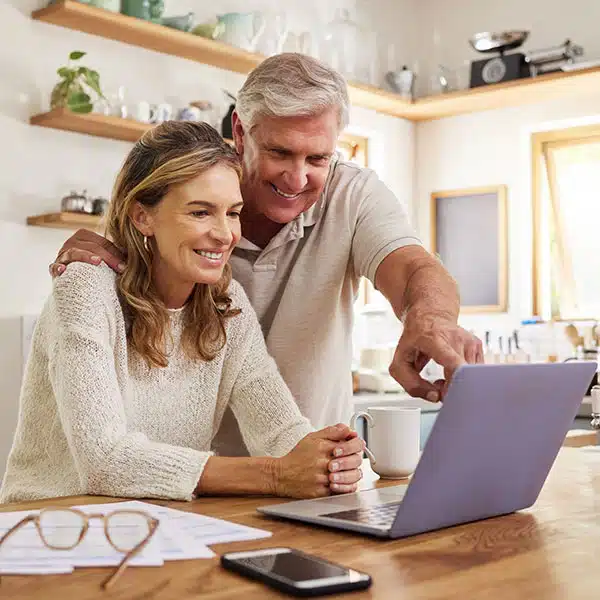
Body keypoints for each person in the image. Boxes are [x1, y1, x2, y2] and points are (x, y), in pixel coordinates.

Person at [49, 53, 483, 457]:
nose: (297, 178)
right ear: (240, 131)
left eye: (318, 157)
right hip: (189, 479)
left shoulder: (353, 195)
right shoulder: (183, 204)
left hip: (299, 467)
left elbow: (412, 268)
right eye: (279, 152)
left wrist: (430, 319)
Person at [0, 121, 364, 504]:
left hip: (158, 527)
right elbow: (104, 460)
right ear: (143, 217)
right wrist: (276, 475)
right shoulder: (86, 288)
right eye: (201, 212)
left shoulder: (227, 306)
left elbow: (281, 433)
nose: (225, 234)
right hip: (49, 531)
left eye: (233, 213)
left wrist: (327, 457)